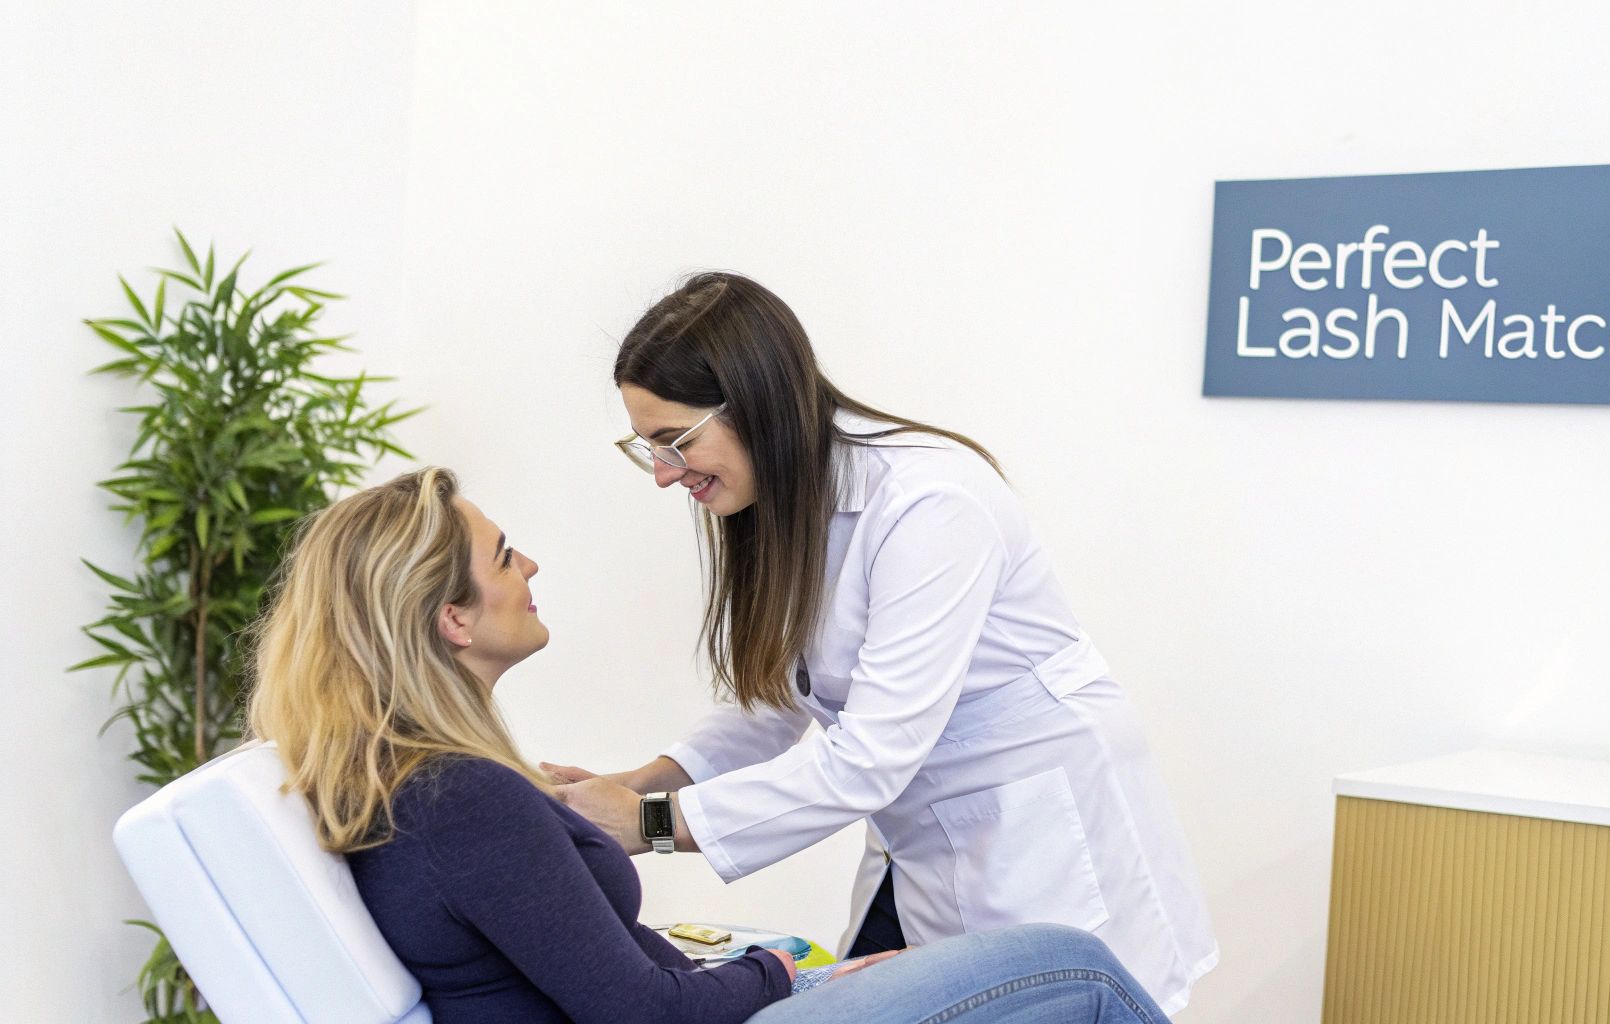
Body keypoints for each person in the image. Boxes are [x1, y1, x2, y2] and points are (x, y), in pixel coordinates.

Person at [244, 467, 1172, 1024]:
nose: (530, 567)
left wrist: (650, 813)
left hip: (716, 999)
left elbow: (781, 708)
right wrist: (789, 966)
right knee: (1075, 968)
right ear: (452, 618)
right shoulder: (459, 799)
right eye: (504, 557)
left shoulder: (429, 784)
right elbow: (643, 1016)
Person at [549, 273, 1217, 1014]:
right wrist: (639, 785)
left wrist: (647, 828)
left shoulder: (930, 504)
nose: (666, 476)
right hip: (923, 846)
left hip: (1035, 848)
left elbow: (870, 759)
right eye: (647, 448)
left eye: (675, 442)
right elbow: (779, 699)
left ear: (758, 402)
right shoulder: (779, 503)